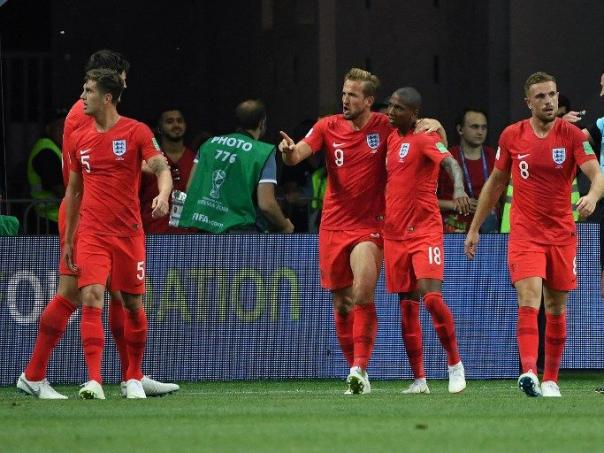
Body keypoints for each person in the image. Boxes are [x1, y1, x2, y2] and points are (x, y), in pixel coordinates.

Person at [17, 50, 178, 399]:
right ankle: (36, 374)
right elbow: (85, 171)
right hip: (86, 213)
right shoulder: (82, 115)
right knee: (74, 294)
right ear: (110, 81)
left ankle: (132, 376)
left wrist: (144, 164)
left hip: (109, 214)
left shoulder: (123, 125)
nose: (126, 85)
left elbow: (116, 157)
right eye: (123, 79)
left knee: (120, 295)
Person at [278, 68, 446, 394]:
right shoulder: (327, 126)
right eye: (344, 93)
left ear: (368, 100)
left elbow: (426, 136)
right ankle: (358, 375)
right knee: (342, 303)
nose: (345, 100)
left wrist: (435, 125)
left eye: (352, 95)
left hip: (371, 226)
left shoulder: (385, 126)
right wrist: (288, 152)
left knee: (362, 294)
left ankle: (359, 368)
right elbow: (297, 155)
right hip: (333, 225)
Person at [464, 72, 604, 398]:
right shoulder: (513, 135)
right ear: (528, 102)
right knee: (528, 298)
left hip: (561, 235)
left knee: (555, 307)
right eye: (541, 96)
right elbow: (496, 182)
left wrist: (593, 196)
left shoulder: (572, 135)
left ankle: (551, 379)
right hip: (525, 233)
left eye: (552, 94)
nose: (549, 101)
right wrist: (474, 228)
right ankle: (529, 371)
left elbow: (597, 174)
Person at [63, 68, 172, 399]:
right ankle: (94, 380)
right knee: (91, 296)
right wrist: (69, 239)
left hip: (128, 234)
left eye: (88, 91)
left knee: (133, 305)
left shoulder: (136, 131)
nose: (83, 97)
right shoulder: (79, 138)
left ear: (107, 97)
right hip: (92, 233)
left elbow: (161, 167)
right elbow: (74, 191)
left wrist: (163, 195)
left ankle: (133, 377)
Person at [384, 87, 469, 394]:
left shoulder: (425, 137)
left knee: (431, 298)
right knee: (407, 307)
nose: (391, 112)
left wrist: (458, 188)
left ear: (414, 114)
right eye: (391, 106)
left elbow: (451, 163)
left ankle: (455, 365)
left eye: (398, 108)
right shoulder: (391, 139)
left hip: (424, 231)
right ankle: (419, 380)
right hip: (395, 234)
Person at [176, 99, 294, 234]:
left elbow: (191, 188)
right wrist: (284, 225)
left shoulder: (208, 144)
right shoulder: (263, 153)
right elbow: (266, 204)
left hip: (205, 230)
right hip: (240, 235)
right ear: (261, 122)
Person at [438, 108, 498, 233]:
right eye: (474, 127)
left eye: (484, 127)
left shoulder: (494, 157)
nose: (480, 132)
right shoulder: (446, 158)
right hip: (453, 232)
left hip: (488, 232)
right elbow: (425, 201)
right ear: (460, 129)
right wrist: (454, 204)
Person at [140, 108, 196, 234]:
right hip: (153, 232)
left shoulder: (195, 160)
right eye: (170, 121)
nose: (176, 125)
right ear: (159, 128)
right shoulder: (148, 161)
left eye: (179, 121)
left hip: (188, 235)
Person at [26, 110, 66, 232]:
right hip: (49, 220)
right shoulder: (46, 152)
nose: (64, 132)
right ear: (48, 129)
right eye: (60, 127)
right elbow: (59, 188)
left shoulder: (57, 150)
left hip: (56, 218)